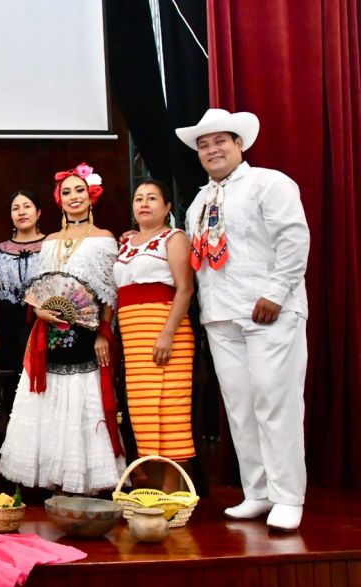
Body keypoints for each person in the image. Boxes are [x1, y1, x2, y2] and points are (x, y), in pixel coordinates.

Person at [175, 109, 309, 531]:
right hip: (220, 316)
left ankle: (289, 496)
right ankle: (259, 491)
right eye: (203, 144)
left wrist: (276, 292)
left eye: (220, 141)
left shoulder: (269, 183)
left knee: (275, 400)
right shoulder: (198, 201)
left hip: (268, 310)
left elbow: (293, 237)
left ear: (240, 144)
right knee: (240, 407)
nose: (211, 149)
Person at [0, 163, 125, 495]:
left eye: (79, 190)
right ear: (58, 199)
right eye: (66, 192)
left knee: (83, 400)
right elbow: (39, 291)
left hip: (88, 332)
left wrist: (103, 332)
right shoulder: (51, 241)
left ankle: (85, 483)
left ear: (91, 195)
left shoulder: (104, 240)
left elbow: (111, 292)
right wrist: (41, 311)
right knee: (50, 400)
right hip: (50, 332)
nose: (73, 197)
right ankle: (53, 481)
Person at [113, 180, 195, 492]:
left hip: (164, 330)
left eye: (152, 198)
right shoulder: (127, 243)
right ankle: (155, 493)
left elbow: (185, 288)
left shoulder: (173, 238)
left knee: (170, 412)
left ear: (167, 207)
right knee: (144, 414)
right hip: (134, 338)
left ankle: (173, 494)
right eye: (138, 198)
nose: (144, 204)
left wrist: (167, 334)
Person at [0, 190, 45, 373]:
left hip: (41, 322)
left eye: (27, 206)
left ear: (38, 212)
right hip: (7, 326)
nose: (21, 212)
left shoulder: (51, 246)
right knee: (11, 382)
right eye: (15, 208)